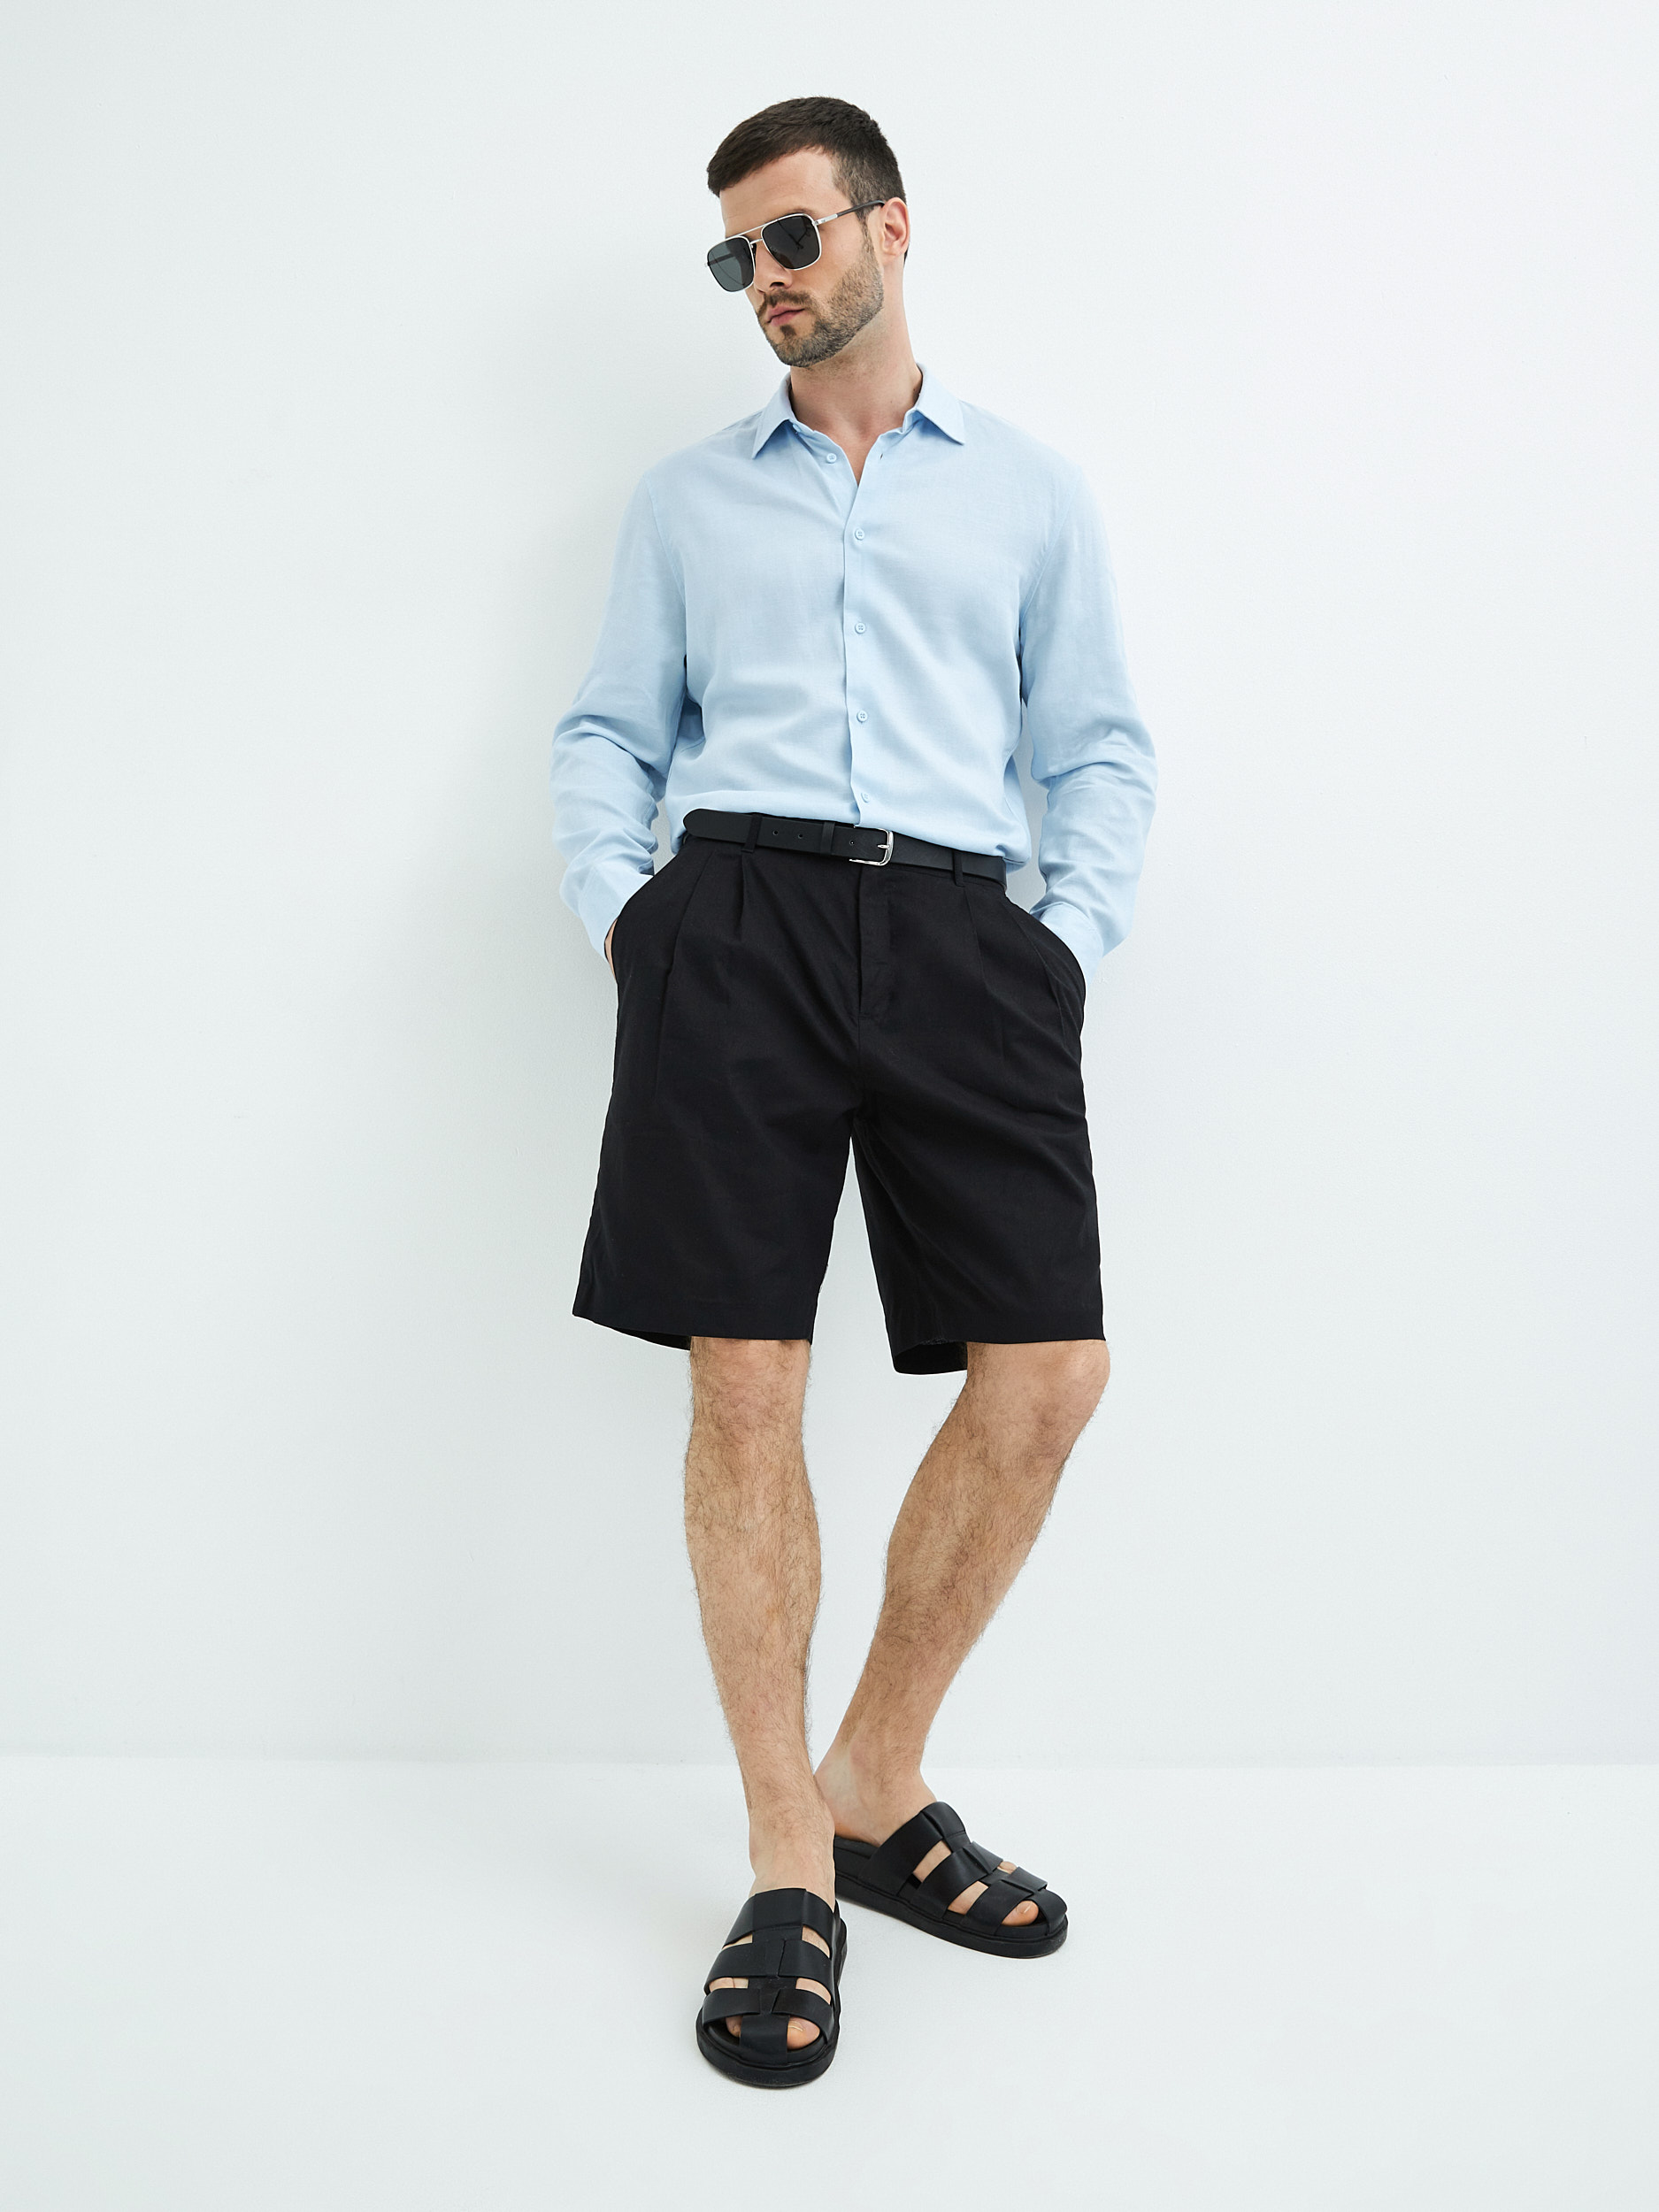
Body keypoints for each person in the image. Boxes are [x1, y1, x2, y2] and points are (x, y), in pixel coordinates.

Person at [549, 95, 1156, 2087]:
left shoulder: (1029, 494)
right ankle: (786, 1856)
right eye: (737, 256)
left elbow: (1097, 748)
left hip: (969, 936)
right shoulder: (685, 503)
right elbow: (608, 729)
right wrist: (634, 917)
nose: (766, 279)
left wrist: (1061, 948)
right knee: (745, 1376)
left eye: (792, 237)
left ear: (891, 227)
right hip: (735, 923)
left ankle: (875, 1776)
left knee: (1047, 1372)